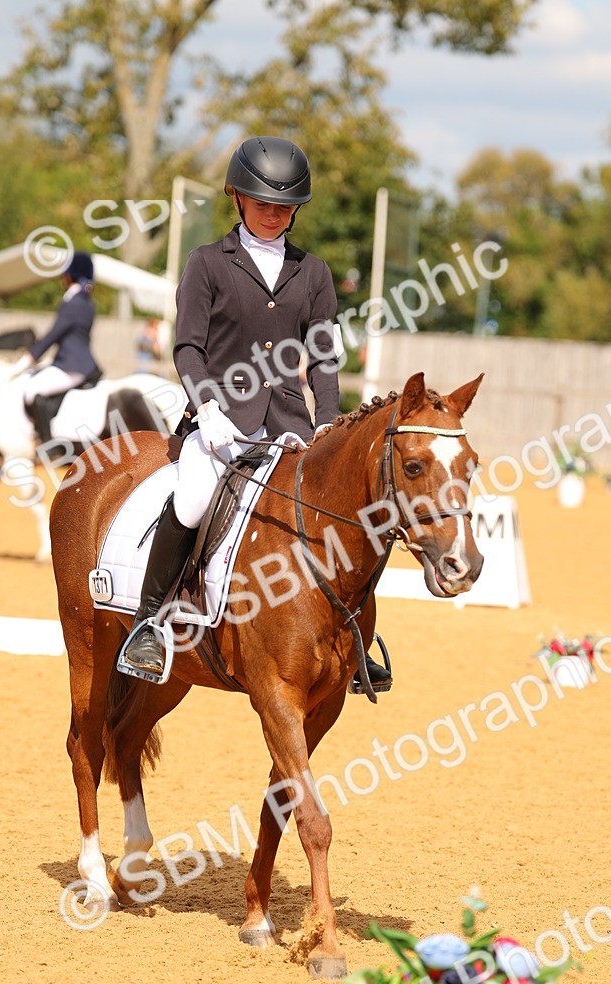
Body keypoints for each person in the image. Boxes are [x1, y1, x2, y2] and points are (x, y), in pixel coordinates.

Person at [120, 135, 391, 695]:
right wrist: (207, 407)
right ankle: (148, 622)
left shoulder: (313, 273)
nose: (273, 214)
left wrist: (328, 423)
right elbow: (187, 349)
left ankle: (354, 637)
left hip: (290, 429)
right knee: (194, 498)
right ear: (238, 199)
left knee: (341, 512)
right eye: (262, 202)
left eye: (284, 206)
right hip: (219, 424)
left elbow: (321, 356)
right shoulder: (207, 264)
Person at [15, 251, 101, 444]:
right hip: (74, 361)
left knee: (31, 389)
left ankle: (48, 444)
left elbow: (53, 335)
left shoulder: (73, 303)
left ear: (70, 276)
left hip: (72, 365)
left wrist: (29, 356)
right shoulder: (86, 302)